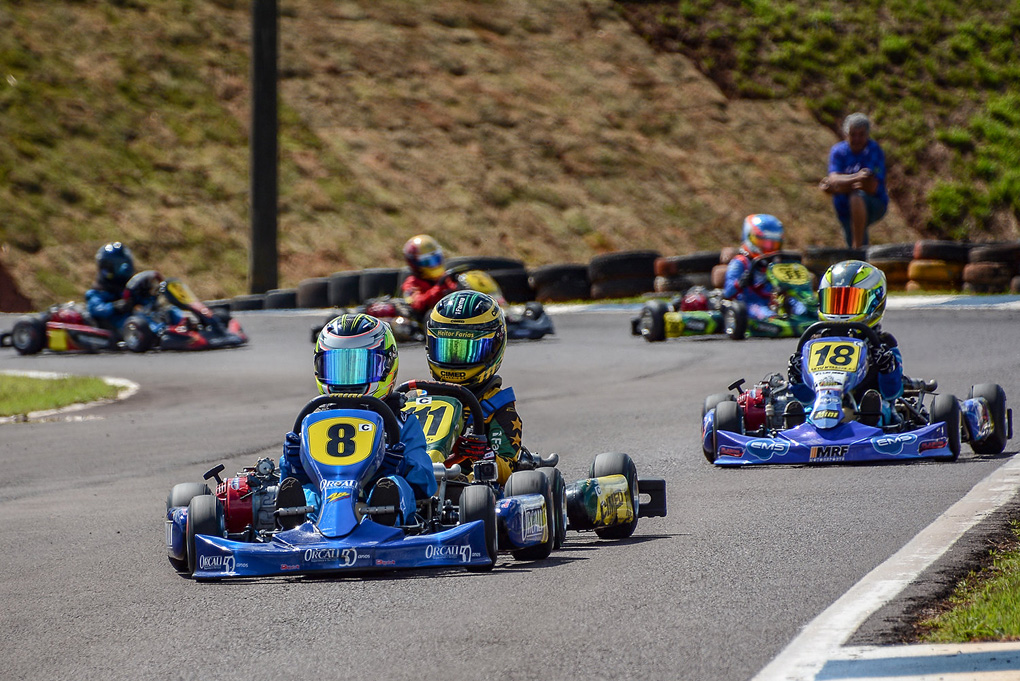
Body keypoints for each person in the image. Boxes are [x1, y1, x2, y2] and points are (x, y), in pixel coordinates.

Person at [276, 313, 437, 528]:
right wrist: (292, 463)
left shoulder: (401, 422)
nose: (349, 380)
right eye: (338, 368)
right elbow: (289, 480)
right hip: (326, 497)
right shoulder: (313, 420)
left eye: (360, 368)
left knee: (396, 485)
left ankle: (384, 520)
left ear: (387, 366)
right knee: (305, 490)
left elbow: (426, 481)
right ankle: (298, 525)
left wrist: (402, 467)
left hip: (375, 498)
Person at [424, 290, 524, 484]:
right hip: (419, 481)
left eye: (467, 351)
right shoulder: (418, 400)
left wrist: (484, 455)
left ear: (495, 346)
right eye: (447, 349)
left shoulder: (497, 405)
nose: (455, 360)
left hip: (469, 488)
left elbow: (508, 471)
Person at [786, 260, 902, 426]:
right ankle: (797, 426)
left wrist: (887, 368)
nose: (841, 311)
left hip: (868, 406)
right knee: (806, 409)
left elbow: (892, 392)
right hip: (822, 405)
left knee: (881, 407)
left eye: (850, 302)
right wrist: (797, 379)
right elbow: (806, 396)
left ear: (875, 303)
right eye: (834, 301)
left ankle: (869, 421)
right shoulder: (814, 341)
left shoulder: (883, 343)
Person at [819, 113, 889, 249]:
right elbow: (834, 178)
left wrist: (838, 187)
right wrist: (857, 178)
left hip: (874, 203)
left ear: (867, 134)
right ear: (846, 134)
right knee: (850, 242)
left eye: (861, 134)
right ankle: (857, 253)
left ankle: (858, 249)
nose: (857, 139)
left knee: (856, 197)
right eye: (853, 134)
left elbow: (871, 186)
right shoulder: (838, 151)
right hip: (844, 209)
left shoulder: (873, 150)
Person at [723, 214, 805, 321]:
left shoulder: (776, 265)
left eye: (773, 245)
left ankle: (807, 317)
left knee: (800, 306)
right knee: (763, 313)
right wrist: (741, 282)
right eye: (765, 244)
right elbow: (728, 292)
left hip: (772, 301)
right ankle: (773, 321)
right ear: (750, 238)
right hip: (749, 303)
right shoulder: (740, 263)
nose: (769, 249)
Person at [400, 234, 460, 318]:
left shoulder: (444, 277)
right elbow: (417, 304)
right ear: (415, 263)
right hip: (428, 320)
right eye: (428, 262)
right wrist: (438, 289)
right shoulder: (411, 283)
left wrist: (459, 285)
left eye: (436, 259)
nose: (434, 265)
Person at [85, 242, 136, 333]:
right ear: (106, 268)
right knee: (130, 321)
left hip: (135, 320)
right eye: (119, 266)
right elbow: (96, 309)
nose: (124, 270)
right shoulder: (98, 292)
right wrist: (115, 307)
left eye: (126, 265)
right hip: (116, 325)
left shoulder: (128, 288)